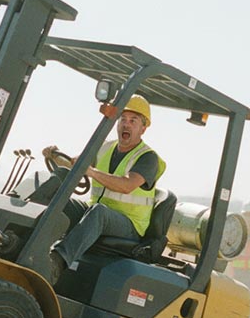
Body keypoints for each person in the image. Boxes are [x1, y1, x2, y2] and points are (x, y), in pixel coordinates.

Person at [46, 95, 165, 282]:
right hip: (95, 212)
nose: (126, 125)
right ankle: (21, 236)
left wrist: (92, 172)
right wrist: (55, 157)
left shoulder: (148, 158)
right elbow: (76, 165)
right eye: (123, 120)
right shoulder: (105, 147)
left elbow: (127, 186)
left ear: (143, 128)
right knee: (59, 194)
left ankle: (56, 264)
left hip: (129, 225)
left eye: (133, 121)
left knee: (99, 212)